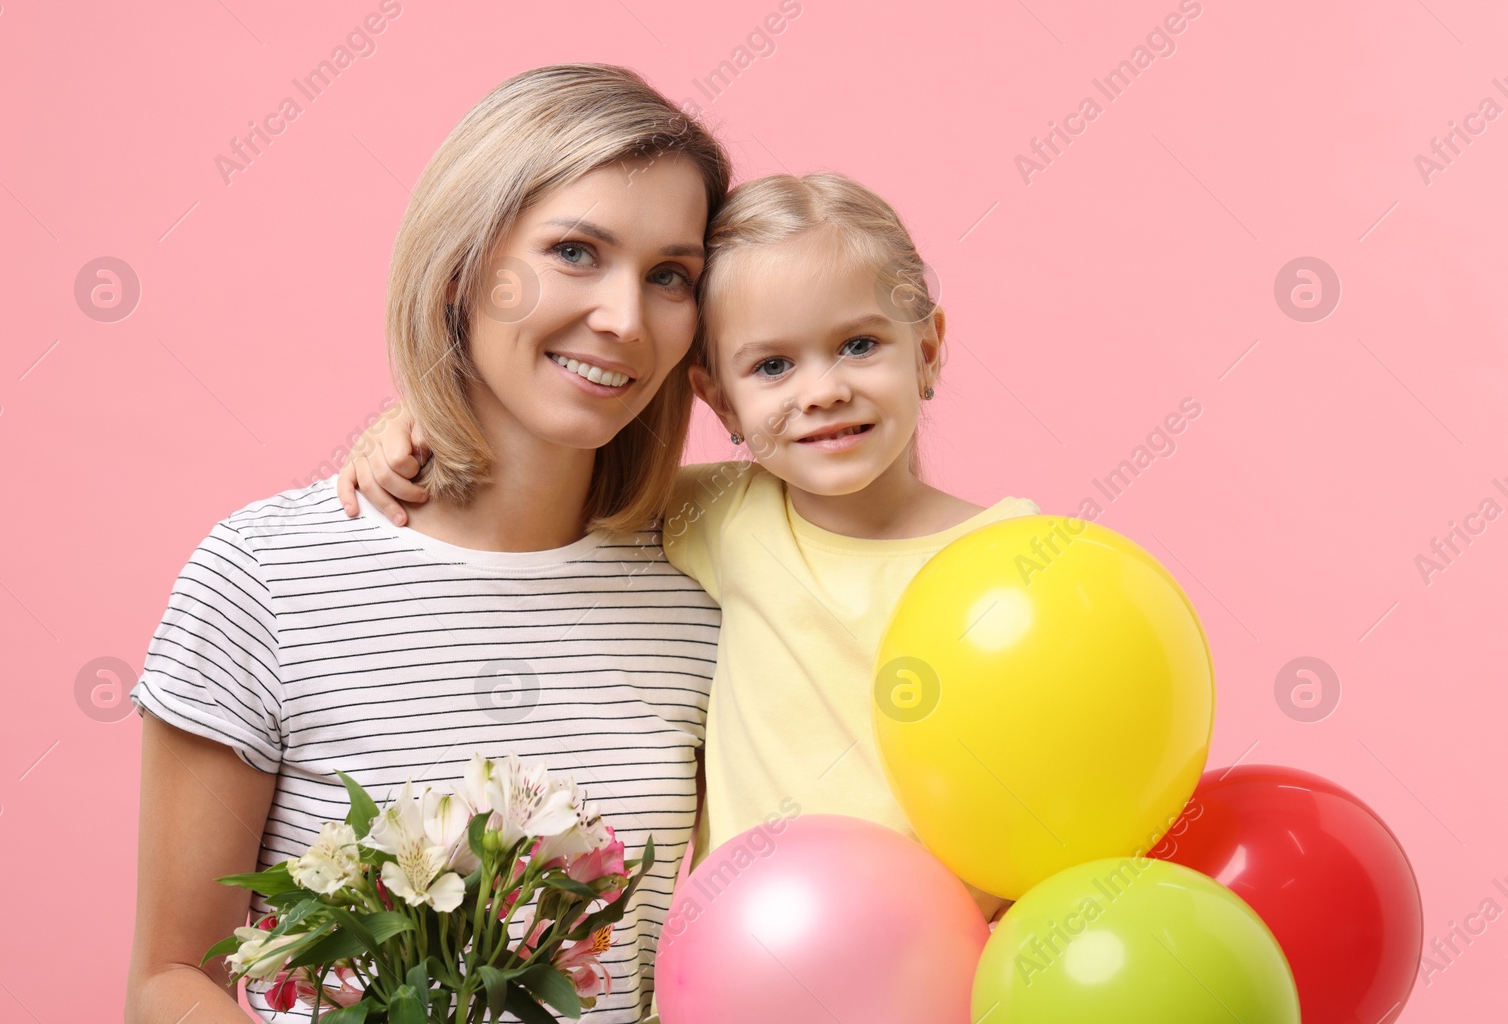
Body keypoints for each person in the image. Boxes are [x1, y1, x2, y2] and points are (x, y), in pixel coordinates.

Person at [124, 63, 732, 1024]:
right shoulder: (266, 576)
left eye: (671, 276)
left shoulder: (716, 579)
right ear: (463, 266)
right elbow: (170, 980)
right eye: (576, 251)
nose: (623, 318)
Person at [339, 171, 1040, 924]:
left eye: (859, 344)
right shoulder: (719, 514)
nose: (823, 390)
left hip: (943, 966)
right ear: (719, 400)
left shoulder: (1017, 557)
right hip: (749, 965)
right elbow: (539, 484)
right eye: (773, 366)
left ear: (928, 348)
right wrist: (408, 422)